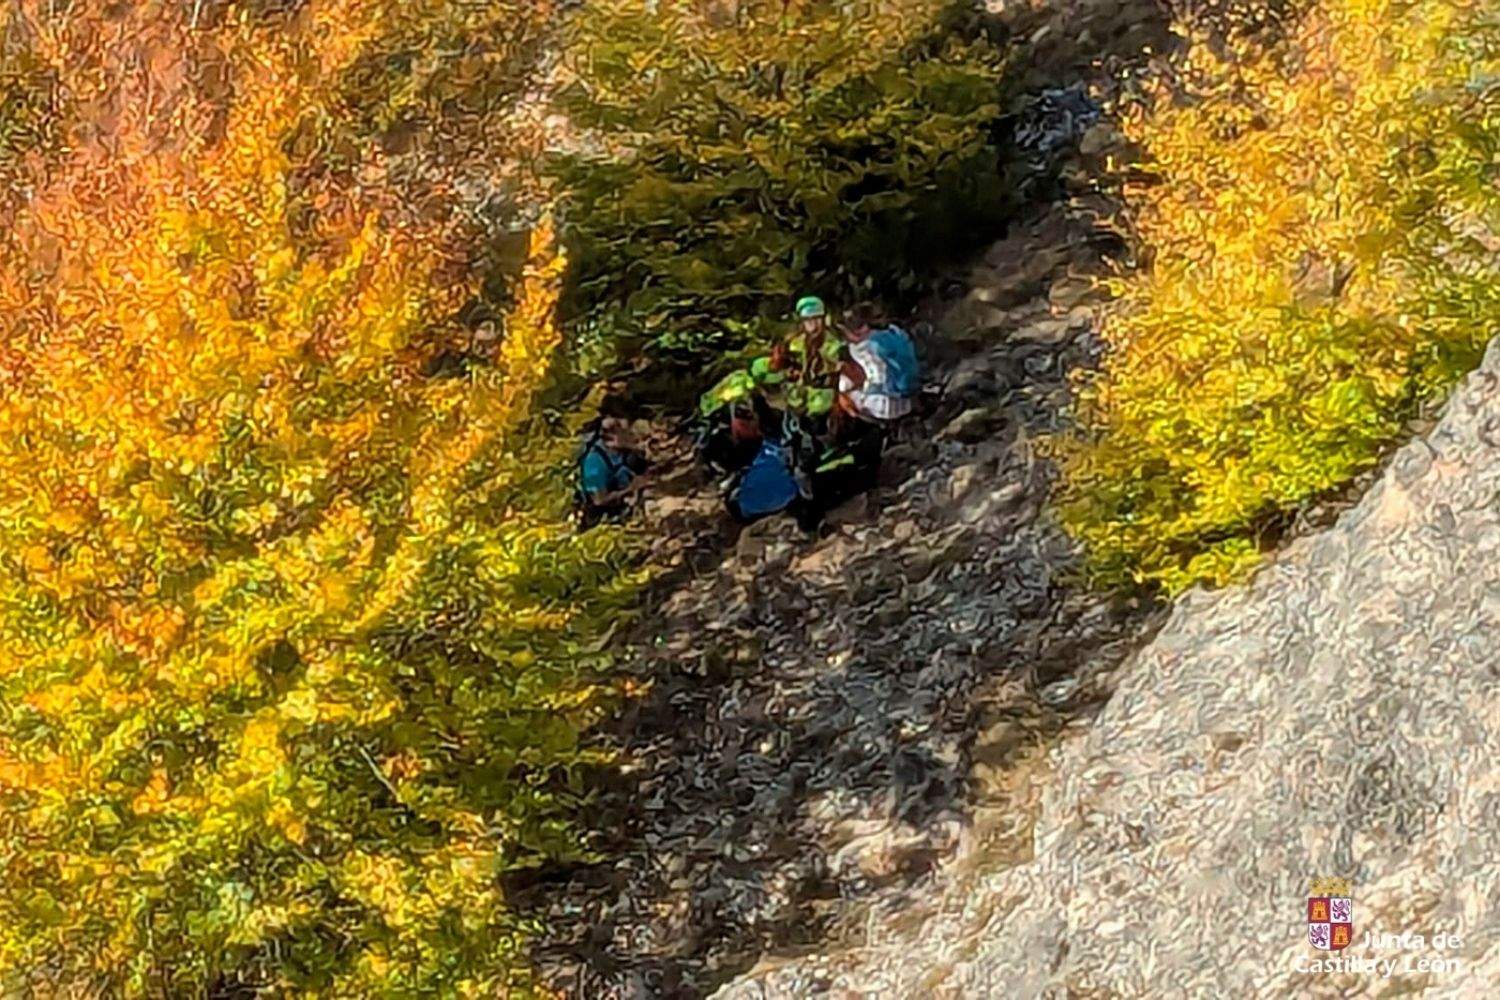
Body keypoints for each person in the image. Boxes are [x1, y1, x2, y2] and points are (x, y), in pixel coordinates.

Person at [836, 302, 920, 425]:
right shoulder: (893, 332)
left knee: (842, 394)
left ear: (861, 329)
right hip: (909, 393)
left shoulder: (867, 347)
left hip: (888, 403)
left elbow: (876, 378)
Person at [574, 415, 650, 530]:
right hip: (602, 512)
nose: (633, 436)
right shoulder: (594, 464)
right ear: (614, 439)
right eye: (628, 433)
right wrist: (631, 488)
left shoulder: (623, 449)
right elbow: (599, 500)